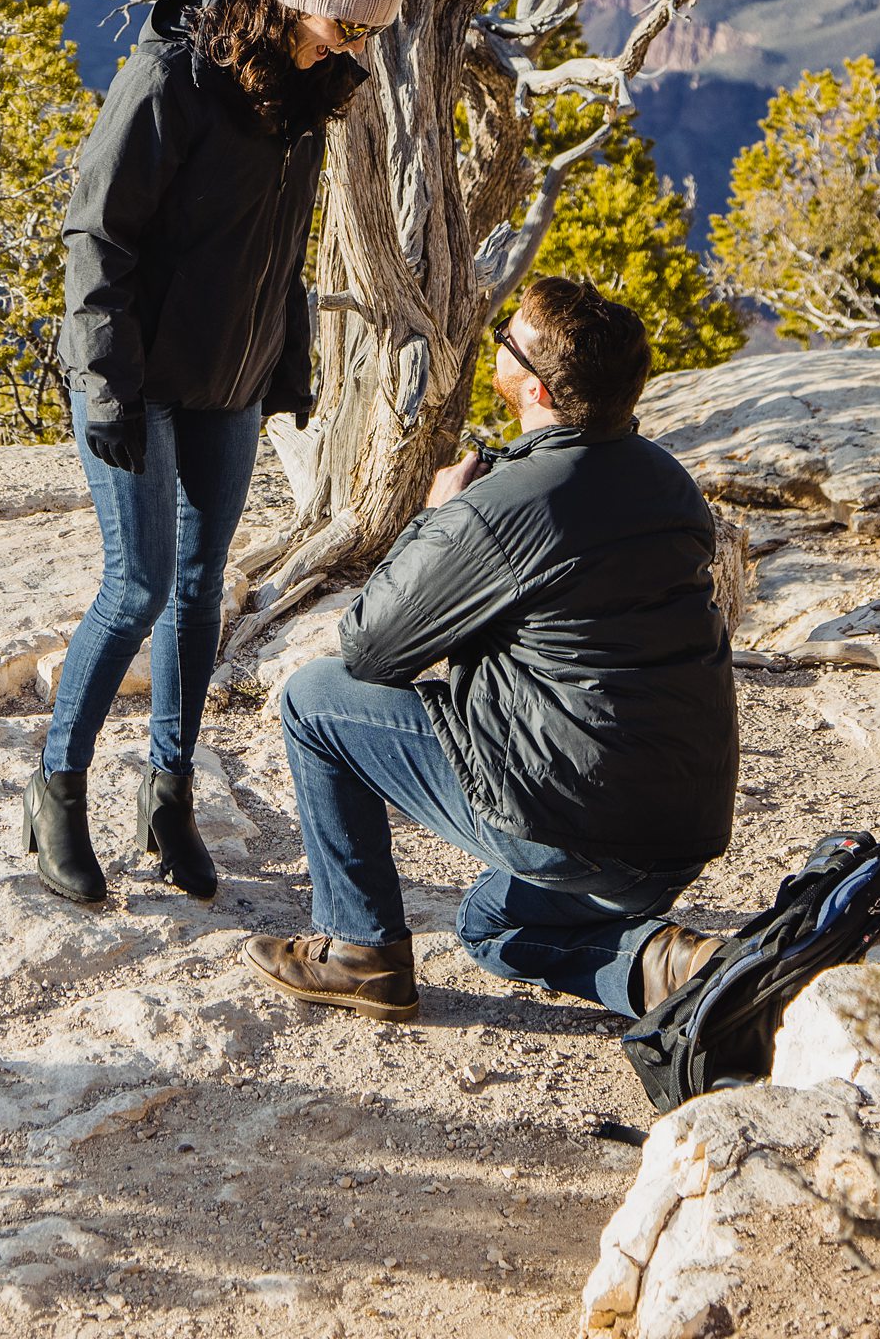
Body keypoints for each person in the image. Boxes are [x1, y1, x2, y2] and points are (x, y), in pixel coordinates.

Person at [28, 0, 404, 905]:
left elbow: (277, 244)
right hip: (139, 376)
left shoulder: (312, 92)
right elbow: (94, 236)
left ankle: (169, 797)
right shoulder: (173, 78)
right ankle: (56, 785)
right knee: (138, 584)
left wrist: (286, 358)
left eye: (371, 28)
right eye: (345, 23)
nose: (355, 45)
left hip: (228, 378)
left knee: (202, 588)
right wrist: (104, 381)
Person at [239, 273, 736, 1021]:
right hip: (674, 840)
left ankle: (358, 952)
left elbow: (372, 649)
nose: (496, 341)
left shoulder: (505, 507)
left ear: (534, 390)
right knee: (488, 927)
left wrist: (438, 516)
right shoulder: (666, 479)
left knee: (315, 699)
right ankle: (668, 966)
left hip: (575, 824)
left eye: (507, 340)